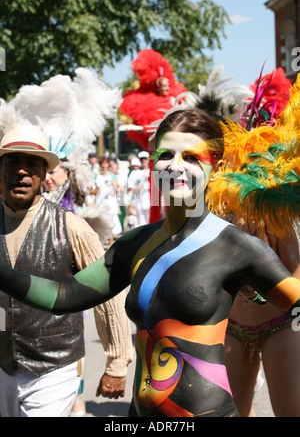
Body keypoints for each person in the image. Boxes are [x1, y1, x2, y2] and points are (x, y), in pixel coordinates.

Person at [1, 109, 300, 418]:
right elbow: (61, 296)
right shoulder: (133, 245)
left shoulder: (237, 246)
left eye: (192, 158)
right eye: (165, 155)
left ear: (217, 167)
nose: (175, 166)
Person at [0, 124, 132, 417]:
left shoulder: (70, 226)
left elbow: (107, 295)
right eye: (12, 162)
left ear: (44, 174)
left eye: (31, 164)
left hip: (54, 366)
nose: (21, 171)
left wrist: (117, 361)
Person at [44, 161, 132, 416]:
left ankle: (78, 401)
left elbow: (105, 288)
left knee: (72, 350)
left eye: (53, 172)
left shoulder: (71, 216)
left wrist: (117, 360)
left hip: (68, 295)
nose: (49, 178)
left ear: (67, 175)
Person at [225, 218, 300, 417]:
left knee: (290, 411)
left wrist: (259, 289)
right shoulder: (215, 204)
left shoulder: (274, 213)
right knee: (234, 412)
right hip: (233, 326)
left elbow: (296, 279)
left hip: (280, 325)